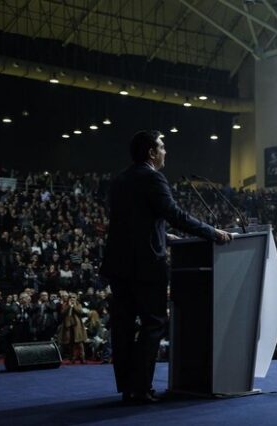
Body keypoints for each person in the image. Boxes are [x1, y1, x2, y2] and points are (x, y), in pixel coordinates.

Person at [101, 130, 232, 404]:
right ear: (150, 152)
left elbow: (132, 221)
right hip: (147, 265)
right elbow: (175, 215)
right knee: (153, 323)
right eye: (161, 147)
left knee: (123, 327)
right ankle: (141, 387)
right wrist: (212, 232)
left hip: (118, 264)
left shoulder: (119, 180)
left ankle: (128, 387)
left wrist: (162, 235)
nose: (165, 152)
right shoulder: (153, 177)